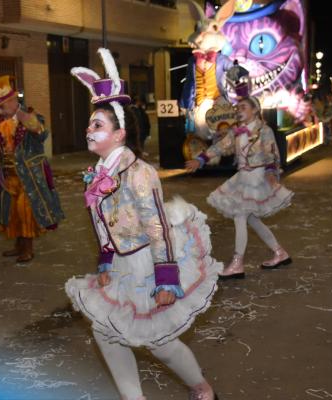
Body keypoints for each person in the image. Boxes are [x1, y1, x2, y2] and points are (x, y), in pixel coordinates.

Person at [68, 48, 222, 400]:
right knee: (106, 332)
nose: (88, 130)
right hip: (120, 263)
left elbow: (156, 226)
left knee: (160, 342)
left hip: (147, 264)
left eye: (97, 125)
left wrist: (166, 278)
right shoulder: (99, 173)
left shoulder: (139, 172)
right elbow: (102, 223)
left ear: (119, 134)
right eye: (90, 123)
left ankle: (203, 389)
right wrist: (106, 260)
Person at [186, 96, 293, 279]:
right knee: (251, 219)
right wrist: (201, 159)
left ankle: (238, 263)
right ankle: (280, 252)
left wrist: (270, 173)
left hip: (257, 179)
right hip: (242, 178)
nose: (238, 110)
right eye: (238, 107)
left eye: (243, 107)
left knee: (240, 216)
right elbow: (220, 147)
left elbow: (271, 153)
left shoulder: (264, 130)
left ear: (255, 110)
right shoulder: (236, 131)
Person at [0, 76, 64, 263]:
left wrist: (19, 113)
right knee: (13, 212)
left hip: (29, 177)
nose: (0, 111)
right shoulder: (1, 123)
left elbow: (41, 133)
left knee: (26, 212)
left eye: (2, 106)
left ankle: (28, 248)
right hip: (9, 176)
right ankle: (19, 246)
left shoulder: (31, 118)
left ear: (12, 101)